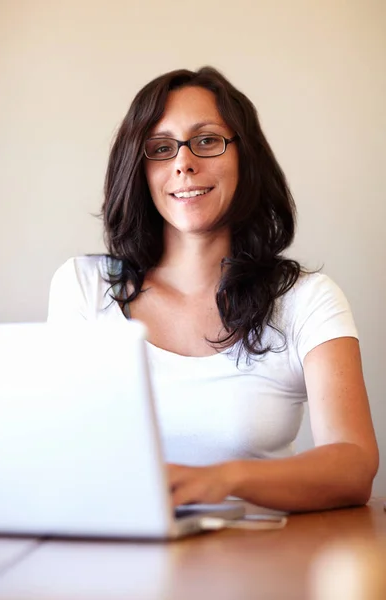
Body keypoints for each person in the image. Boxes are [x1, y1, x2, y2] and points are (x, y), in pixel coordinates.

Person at [48, 66, 379, 513]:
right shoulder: (83, 289)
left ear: (245, 157)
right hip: (121, 563)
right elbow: (60, 454)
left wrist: (223, 478)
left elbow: (354, 466)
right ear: (140, 171)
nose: (183, 162)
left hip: (262, 564)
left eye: (206, 140)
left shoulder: (309, 299)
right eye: (161, 149)